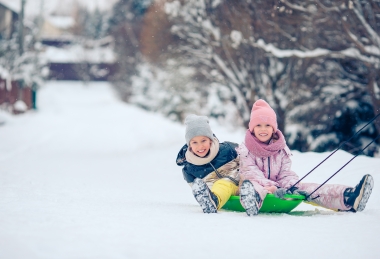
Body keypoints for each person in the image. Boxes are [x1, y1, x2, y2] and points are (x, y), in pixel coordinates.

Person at [237, 99, 374, 216]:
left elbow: (285, 172)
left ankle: (348, 197)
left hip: (279, 189)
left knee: (306, 188)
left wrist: (290, 186)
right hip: (255, 186)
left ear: (274, 128)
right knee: (253, 185)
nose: (263, 129)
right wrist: (273, 187)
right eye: (258, 125)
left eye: (267, 125)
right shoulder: (246, 149)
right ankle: (252, 202)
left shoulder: (280, 149)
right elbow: (251, 173)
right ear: (252, 128)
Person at [176, 114, 240, 213]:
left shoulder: (228, 149)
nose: (200, 146)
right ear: (189, 144)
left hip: (242, 185)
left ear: (210, 139)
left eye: (203, 140)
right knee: (222, 184)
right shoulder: (189, 169)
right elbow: (198, 190)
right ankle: (213, 201)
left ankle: (261, 192)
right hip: (221, 194)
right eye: (194, 142)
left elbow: (250, 160)